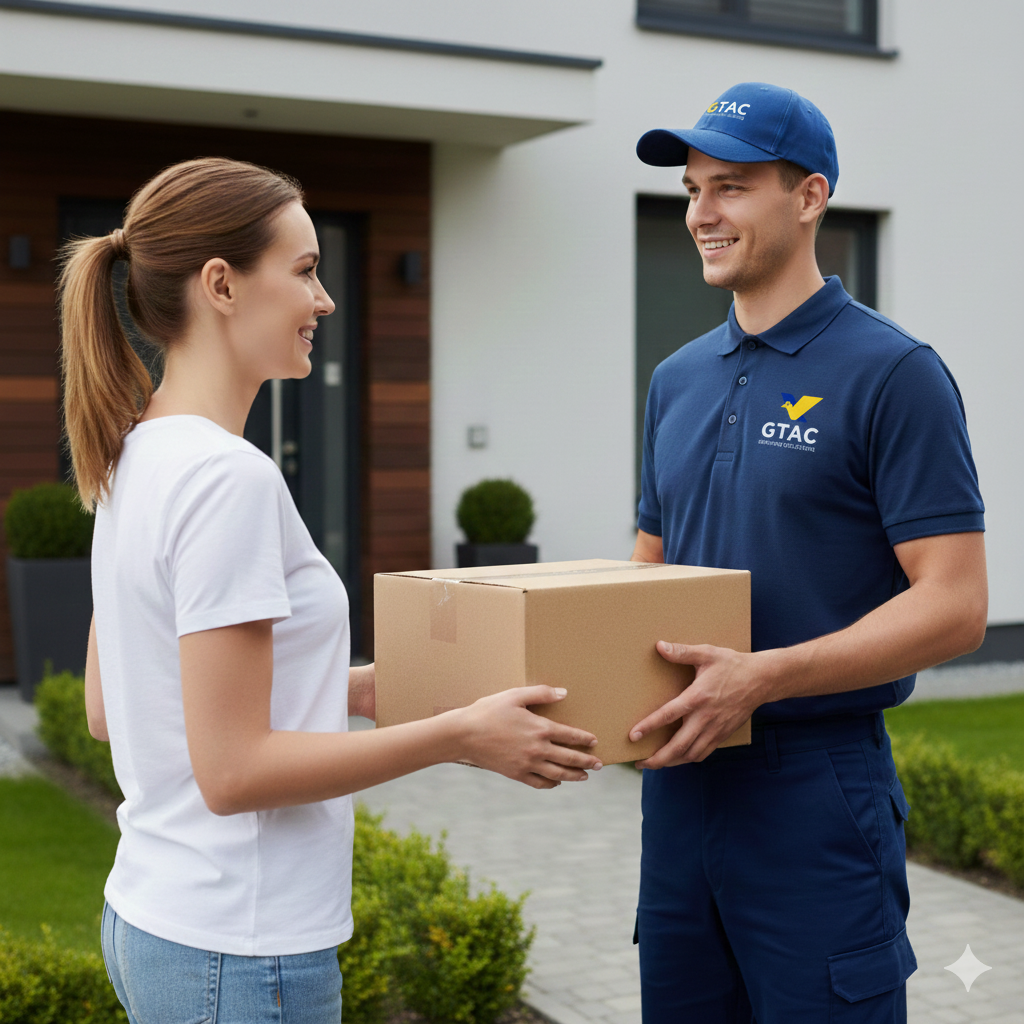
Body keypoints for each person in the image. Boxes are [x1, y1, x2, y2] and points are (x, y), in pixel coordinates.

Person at [60, 157, 602, 1024]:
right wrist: (457, 737)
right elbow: (234, 773)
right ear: (221, 285)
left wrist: (350, 689)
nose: (326, 301)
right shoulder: (223, 479)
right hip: (239, 951)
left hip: (156, 922)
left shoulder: (135, 452)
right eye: (306, 271)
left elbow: (112, 703)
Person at [627, 83, 987, 1023]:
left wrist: (765, 677)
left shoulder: (894, 373)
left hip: (817, 791)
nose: (703, 212)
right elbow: (647, 579)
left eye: (733, 186)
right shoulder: (675, 380)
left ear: (811, 196)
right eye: (695, 188)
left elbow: (953, 604)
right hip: (678, 795)